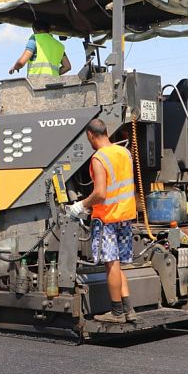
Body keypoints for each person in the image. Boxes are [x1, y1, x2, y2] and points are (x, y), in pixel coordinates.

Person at [68, 119, 138, 324]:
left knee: (111, 264)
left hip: (107, 218)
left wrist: (81, 205)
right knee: (117, 264)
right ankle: (128, 309)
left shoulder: (99, 158)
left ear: (90, 135)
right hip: (125, 215)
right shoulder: (124, 153)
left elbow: (100, 193)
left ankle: (116, 312)